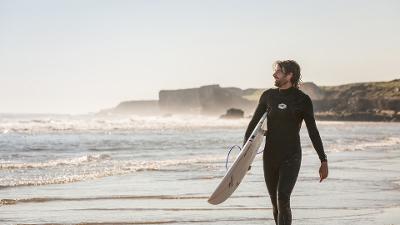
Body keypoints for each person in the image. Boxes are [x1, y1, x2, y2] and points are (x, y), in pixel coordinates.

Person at [244, 60, 328, 225]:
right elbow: (253, 125)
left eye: (278, 72)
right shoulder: (268, 96)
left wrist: (323, 160)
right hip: (270, 156)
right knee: (275, 204)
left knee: (283, 197)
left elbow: (313, 131)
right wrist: (245, 158)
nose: (274, 75)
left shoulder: (302, 100)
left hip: (291, 155)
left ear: (290, 75)